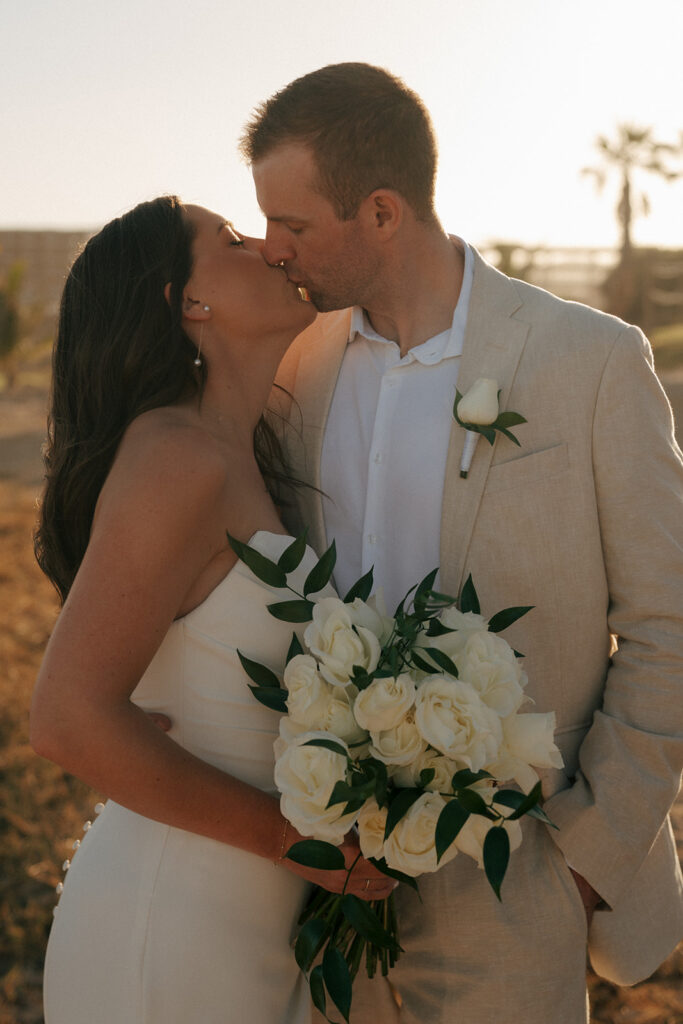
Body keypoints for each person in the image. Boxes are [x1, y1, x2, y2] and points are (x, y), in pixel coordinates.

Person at [239, 63, 683, 1024]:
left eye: (295, 225)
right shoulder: (292, 369)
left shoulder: (590, 361)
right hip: (330, 882)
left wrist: (582, 863)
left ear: (384, 213)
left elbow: (667, 625)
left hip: (519, 877)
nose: (272, 250)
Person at [30, 195, 394, 1024]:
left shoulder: (241, 452)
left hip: (247, 912)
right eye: (231, 239)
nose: (269, 248)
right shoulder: (174, 456)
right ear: (187, 302)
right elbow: (65, 719)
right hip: (172, 914)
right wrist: (288, 841)